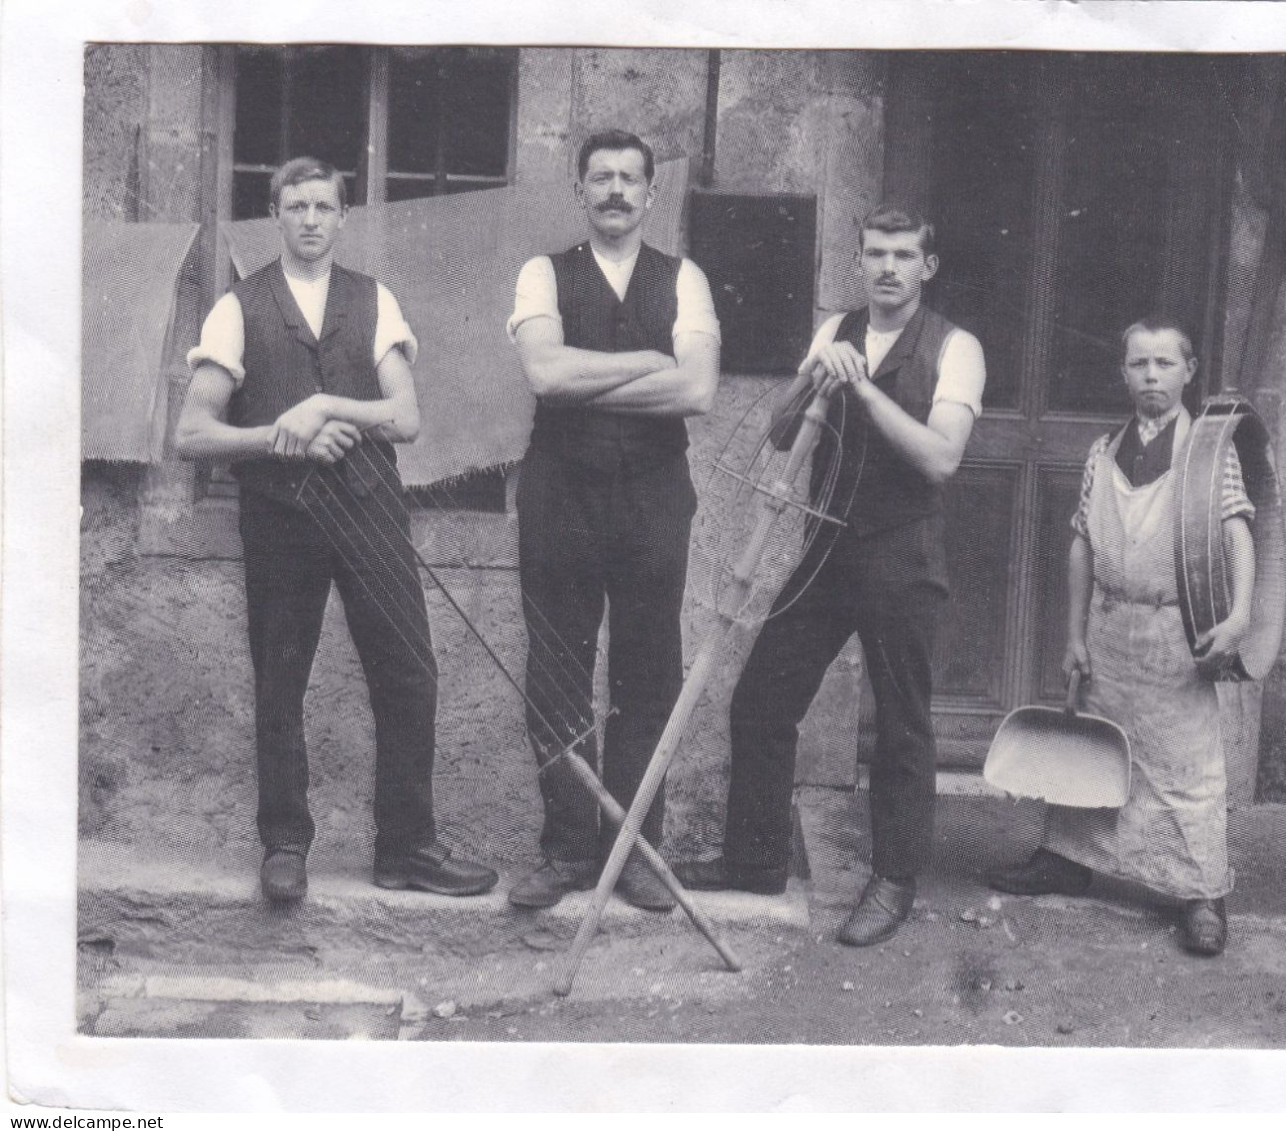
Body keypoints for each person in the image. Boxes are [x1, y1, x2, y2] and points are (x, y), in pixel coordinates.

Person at [174, 156, 498, 904]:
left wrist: (326, 409)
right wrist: (278, 435)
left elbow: (406, 417)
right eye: (297, 207)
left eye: (324, 206)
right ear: (275, 216)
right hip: (281, 517)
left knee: (410, 672)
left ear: (343, 216)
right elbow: (193, 432)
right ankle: (285, 844)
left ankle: (407, 846)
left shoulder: (373, 299)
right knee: (281, 679)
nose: (311, 220)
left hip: (370, 507)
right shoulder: (238, 307)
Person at [676, 205, 986, 947]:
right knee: (761, 696)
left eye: (903, 255)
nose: (887, 268)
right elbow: (782, 430)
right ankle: (755, 858)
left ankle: (893, 879)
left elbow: (942, 458)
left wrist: (866, 389)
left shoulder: (956, 347)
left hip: (903, 546)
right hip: (828, 545)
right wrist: (817, 374)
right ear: (859, 260)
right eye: (875, 253)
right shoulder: (834, 331)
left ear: (926, 266)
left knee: (901, 723)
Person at [984, 317, 1255, 957]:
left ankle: (1202, 894)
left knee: (1185, 765)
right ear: (1124, 373)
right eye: (1140, 364)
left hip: (1175, 634)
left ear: (1189, 371)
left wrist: (1239, 615)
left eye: (1165, 364)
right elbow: (1082, 540)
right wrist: (1074, 634)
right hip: (1109, 628)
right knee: (1095, 748)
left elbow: (1239, 530)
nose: (1152, 376)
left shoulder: (1209, 453)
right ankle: (1069, 860)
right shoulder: (1104, 450)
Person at [505, 129, 720, 913]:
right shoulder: (544, 274)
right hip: (560, 490)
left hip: (655, 494)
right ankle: (565, 847)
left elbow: (696, 391)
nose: (617, 192)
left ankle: (633, 850)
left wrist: (590, 377)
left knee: (648, 669)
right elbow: (543, 373)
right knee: (557, 667)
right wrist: (646, 364)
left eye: (631, 179)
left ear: (652, 193)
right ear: (579, 190)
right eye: (601, 178)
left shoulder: (684, 279)